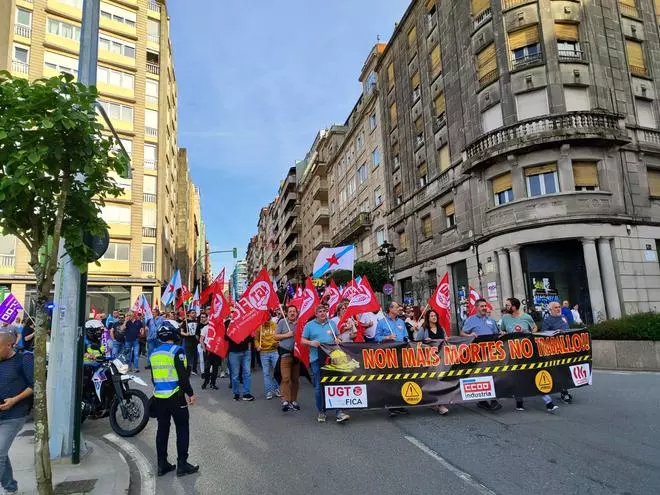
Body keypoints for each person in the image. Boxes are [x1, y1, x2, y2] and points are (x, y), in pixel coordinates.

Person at [149, 320, 199, 477]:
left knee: (162, 430)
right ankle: (182, 464)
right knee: (182, 428)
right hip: (176, 397)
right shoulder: (178, 351)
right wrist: (190, 394)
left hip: (159, 397)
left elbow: (153, 378)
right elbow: (183, 377)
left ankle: (162, 464)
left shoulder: (154, 353)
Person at [501, 298, 558, 413]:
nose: (506, 307)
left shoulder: (526, 317)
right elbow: (502, 330)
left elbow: (535, 328)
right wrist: (504, 334)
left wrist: (530, 333)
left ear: (514, 306)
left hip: (527, 352)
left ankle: (548, 402)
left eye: (508, 305)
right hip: (512, 353)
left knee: (534, 374)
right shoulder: (505, 318)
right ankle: (519, 401)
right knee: (516, 377)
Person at [0, 327, 34, 495]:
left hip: (14, 415)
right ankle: (10, 487)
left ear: (9, 346)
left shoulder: (23, 360)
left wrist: (14, 400)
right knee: (1, 453)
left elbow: (34, 386)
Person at [301, 304, 349, 423]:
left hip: (332, 359)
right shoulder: (309, 325)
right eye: (320, 311)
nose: (323, 313)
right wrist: (311, 343)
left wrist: (338, 339)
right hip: (317, 359)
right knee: (319, 386)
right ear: (316, 314)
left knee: (335, 385)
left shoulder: (331, 324)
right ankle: (321, 411)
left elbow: (338, 336)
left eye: (324, 311)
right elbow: (302, 341)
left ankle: (339, 412)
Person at [460, 299, 503, 412]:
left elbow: (496, 334)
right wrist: (470, 335)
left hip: (491, 353)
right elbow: (462, 333)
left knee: (492, 374)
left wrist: (501, 334)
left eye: (485, 305)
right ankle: (482, 401)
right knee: (480, 375)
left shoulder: (491, 320)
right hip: (477, 353)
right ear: (477, 307)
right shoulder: (471, 320)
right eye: (482, 306)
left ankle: (493, 400)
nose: (484, 307)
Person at [374, 302, 409, 416]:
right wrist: (387, 337)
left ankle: (400, 404)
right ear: (390, 309)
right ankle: (391, 405)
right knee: (391, 380)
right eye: (396, 307)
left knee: (402, 379)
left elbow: (406, 336)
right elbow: (376, 338)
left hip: (401, 353)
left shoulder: (401, 322)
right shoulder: (382, 322)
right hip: (388, 354)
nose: (399, 308)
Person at [415, 310, 449, 415]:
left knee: (441, 379)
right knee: (432, 381)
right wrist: (425, 341)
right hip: (429, 359)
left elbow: (446, 340)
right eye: (432, 316)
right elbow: (416, 342)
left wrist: (447, 339)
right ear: (428, 318)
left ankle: (441, 404)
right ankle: (435, 403)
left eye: (435, 315)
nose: (434, 317)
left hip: (441, 358)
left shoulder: (441, 328)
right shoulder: (424, 329)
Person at [542, 301, 573, 404]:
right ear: (550, 310)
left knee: (566, 370)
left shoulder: (564, 317)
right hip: (555, 350)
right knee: (559, 371)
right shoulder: (547, 320)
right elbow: (544, 335)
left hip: (566, 348)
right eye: (555, 307)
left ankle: (564, 389)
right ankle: (564, 392)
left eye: (559, 307)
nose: (558, 309)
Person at [275, 305, 301, 412]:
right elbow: (275, 336)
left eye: (294, 311)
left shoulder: (300, 323)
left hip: (296, 355)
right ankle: (285, 400)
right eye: (290, 311)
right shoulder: (282, 322)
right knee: (285, 378)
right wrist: (287, 335)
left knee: (295, 379)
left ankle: (293, 400)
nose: (292, 313)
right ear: (286, 313)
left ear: (296, 313)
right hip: (285, 354)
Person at [255, 316, 281, 399]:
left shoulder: (275, 325)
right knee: (266, 373)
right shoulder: (259, 326)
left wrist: (278, 342)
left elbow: (279, 336)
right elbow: (256, 339)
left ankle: (277, 389)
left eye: (268, 318)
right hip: (263, 352)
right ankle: (268, 391)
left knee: (277, 371)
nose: (267, 319)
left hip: (274, 351)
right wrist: (257, 346)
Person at [226, 329, 255, 401]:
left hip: (246, 352)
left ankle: (246, 393)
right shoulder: (229, 323)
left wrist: (249, 350)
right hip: (234, 352)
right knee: (235, 375)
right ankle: (236, 393)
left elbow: (250, 338)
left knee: (247, 373)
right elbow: (226, 337)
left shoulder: (245, 321)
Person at [181, 311, 199, 375]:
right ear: (189, 314)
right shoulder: (185, 322)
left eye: (195, 313)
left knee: (195, 356)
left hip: (195, 341)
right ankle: (187, 370)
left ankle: (194, 370)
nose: (194, 314)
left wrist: (198, 335)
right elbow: (181, 331)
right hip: (188, 340)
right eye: (192, 313)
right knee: (188, 356)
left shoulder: (197, 321)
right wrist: (186, 334)